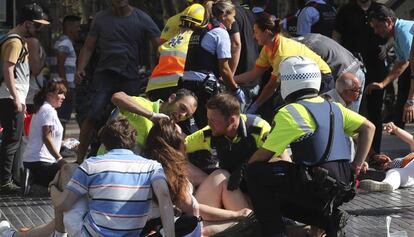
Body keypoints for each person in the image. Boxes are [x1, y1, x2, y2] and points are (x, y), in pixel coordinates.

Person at [246, 56, 375, 237]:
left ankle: (274, 232)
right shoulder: (333, 106)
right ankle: (327, 220)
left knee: (254, 173)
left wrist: (244, 170)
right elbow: (369, 127)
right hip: (343, 184)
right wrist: (357, 165)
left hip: (316, 184)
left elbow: (262, 156)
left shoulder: (291, 112)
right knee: (278, 184)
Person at [0, 118, 176, 237]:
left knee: (68, 171)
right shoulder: (152, 167)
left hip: (90, 234)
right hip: (132, 232)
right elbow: (165, 199)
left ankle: (58, 234)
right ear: (133, 140)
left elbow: (63, 205)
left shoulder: (92, 165)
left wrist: (52, 188)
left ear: (104, 143)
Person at [75, 0, 161, 163]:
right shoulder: (101, 18)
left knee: (132, 115)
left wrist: (159, 72)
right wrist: (80, 68)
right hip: (105, 74)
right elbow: (88, 47)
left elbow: (160, 46)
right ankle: (79, 159)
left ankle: (136, 157)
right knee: (92, 114)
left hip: (129, 76)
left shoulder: (141, 18)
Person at [144, 119, 252, 236]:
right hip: (179, 228)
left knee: (221, 176)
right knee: (243, 222)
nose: (186, 136)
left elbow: (206, 179)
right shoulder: (166, 172)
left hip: (187, 219)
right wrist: (237, 215)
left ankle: (250, 218)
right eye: (181, 133)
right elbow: (194, 210)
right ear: (173, 141)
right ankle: (251, 221)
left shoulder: (172, 163)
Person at [235, 13, 332, 116]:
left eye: (256, 32)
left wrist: (255, 106)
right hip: (303, 78)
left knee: (313, 115)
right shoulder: (267, 47)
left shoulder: (282, 53)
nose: (254, 36)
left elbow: (271, 87)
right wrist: (229, 79)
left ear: (267, 32)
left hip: (321, 77)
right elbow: (254, 74)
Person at [0, 3, 50, 193]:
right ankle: (5, 181)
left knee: (16, 139)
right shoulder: (14, 41)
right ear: (27, 23)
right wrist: (16, 97)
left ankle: (12, 178)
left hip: (13, 96)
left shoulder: (18, 41)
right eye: (37, 25)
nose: (39, 30)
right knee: (11, 140)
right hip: (10, 96)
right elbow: (8, 69)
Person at [333, 0, 389, 154]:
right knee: (350, 108)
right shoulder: (346, 10)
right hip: (352, 66)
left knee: (375, 110)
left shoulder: (380, 9)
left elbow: (392, 31)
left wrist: (387, 46)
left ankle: (374, 153)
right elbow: (336, 36)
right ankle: (348, 151)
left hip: (376, 67)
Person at [185, 92, 271, 189]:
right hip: (230, 186)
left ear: (232, 120)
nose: (209, 124)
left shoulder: (259, 129)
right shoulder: (207, 134)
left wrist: (245, 169)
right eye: (208, 119)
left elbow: (280, 158)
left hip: (260, 183)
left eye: (213, 121)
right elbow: (180, 146)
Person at [181, 0, 245, 128]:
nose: (233, 21)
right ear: (223, 15)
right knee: (209, 126)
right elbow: (224, 68)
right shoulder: (220, 32)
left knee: (192, 127)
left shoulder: (199, 30)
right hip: (204, 86)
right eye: (233, 16)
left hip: (186, 83)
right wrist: (235, 89)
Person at [365, 6, 414, 130]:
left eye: (377, 26)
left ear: (389, 21)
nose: (376, 32)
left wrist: (411, 101)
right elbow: (402, 62)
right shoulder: (398, 32)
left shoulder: (404, 33)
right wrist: (383, 84)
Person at [146, 3, 206, 101]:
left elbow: (159, 51)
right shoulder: (193, 41)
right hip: (174, 86)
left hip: (153, 86)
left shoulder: (172, 41)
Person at [293, 33, 365, 112]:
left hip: (346, 81)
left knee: (342, 120)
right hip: (355, 69)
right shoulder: (307, 37)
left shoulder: (302, 51)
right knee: (349, 119)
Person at [21, 80, 68, 195]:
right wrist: (60, 159)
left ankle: (35, 181)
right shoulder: (48, 110)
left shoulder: (43, 109)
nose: (63, 97)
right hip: (40, 162)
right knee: (72, 173)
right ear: (49, 94)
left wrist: (64, 143)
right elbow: (46, 138)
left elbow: (46, 138)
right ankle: (35, 184)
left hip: (32, 160)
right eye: (60, 93)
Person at [111, 88, 197, 150]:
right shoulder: (145, 105)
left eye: (187, 116)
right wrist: (150, 115)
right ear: (172, 98)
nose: (182, 115)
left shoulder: (169, 130)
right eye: (182, 108)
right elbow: (117, 97)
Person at [360, 122, 414, 192]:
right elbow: (411, 140)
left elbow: (411, 140)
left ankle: (387, 184)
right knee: (396, 173)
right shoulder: (397, 167)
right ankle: (387, 184)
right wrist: (395, 129)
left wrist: (395, 129)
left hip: (407, 172)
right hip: (406, 173)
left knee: (395, 173)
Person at [51, 15, 81, 138]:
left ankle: (59, 146)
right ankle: (59, 147)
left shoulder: (63, 41)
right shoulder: (65, 42)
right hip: (64, 85)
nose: (79, 29)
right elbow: (60, 62)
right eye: (77, 26)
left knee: (61, 116)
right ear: (69, 27)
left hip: (63, 83)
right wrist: (65, 85)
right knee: (62, 116)